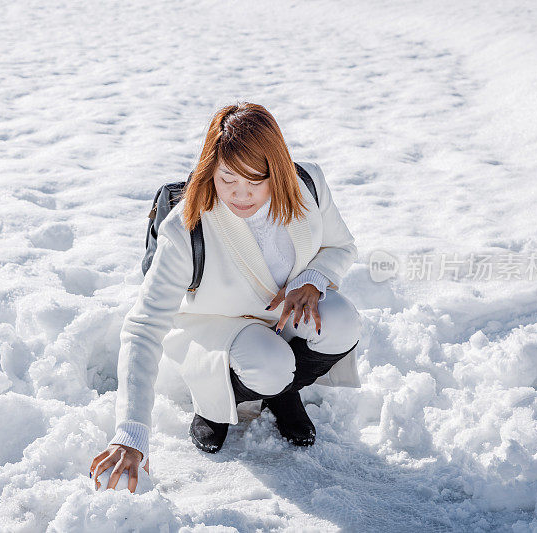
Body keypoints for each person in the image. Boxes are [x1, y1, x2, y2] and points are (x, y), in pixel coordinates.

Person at [89, 102, 361, 493]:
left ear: (277, 170)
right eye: (227, 179)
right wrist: (131, 431)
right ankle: (212, 402)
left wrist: (314, 279)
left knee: (343, 320)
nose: (241, 195)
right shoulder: (187, 227)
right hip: (218, 327)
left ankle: (283, 395)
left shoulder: (307, 185)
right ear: (210, 170)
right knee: (269, 365)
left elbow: (341, 246)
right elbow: (143, 327)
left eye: (255, 180)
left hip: (282, 319)